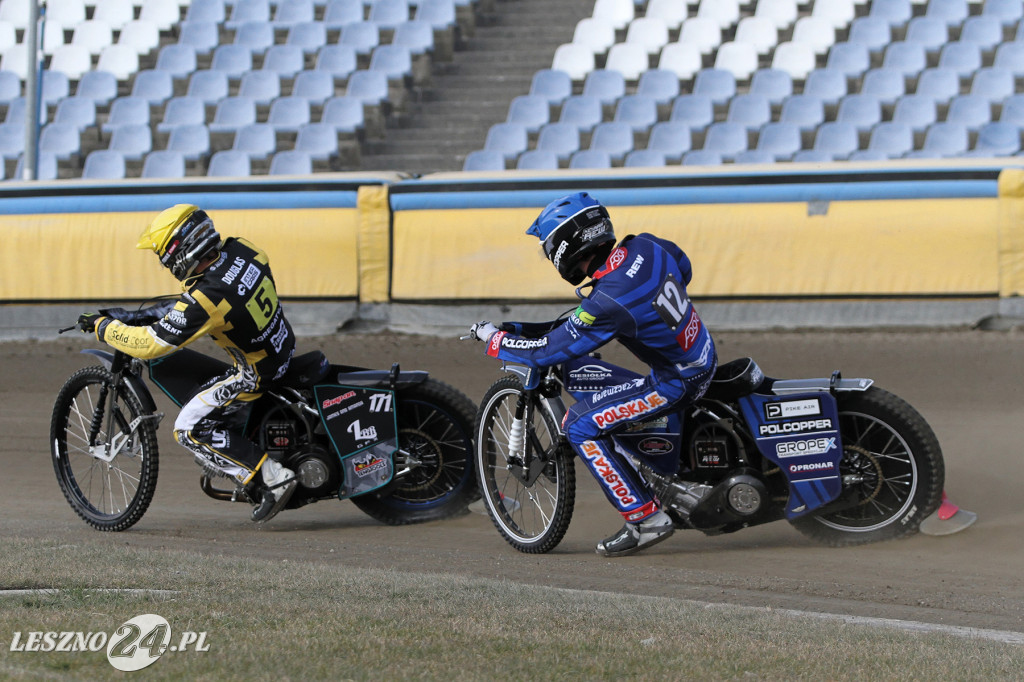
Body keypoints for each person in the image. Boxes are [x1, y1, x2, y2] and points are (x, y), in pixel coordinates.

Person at [469, 192, 717, 557]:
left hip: (677, 381)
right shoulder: (644, 247)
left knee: (579, 424)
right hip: (701, 354)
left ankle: (645, 520)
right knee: (592, 377)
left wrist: (495, 338)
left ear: (565, 246)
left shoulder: (606, 301)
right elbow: (683, 266)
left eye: (548, 248)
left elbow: (546, 353)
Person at [77, 204, 298, 523]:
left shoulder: (208, 297)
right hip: (281, 345)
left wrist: (104, 328)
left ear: (178, 252)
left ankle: (272, 478)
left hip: (256, 372)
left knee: (187, 428)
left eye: (162, 256)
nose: (164, 264)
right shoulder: (244, 249)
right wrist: (141, 315)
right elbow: (193, 304)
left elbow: (152, 344)